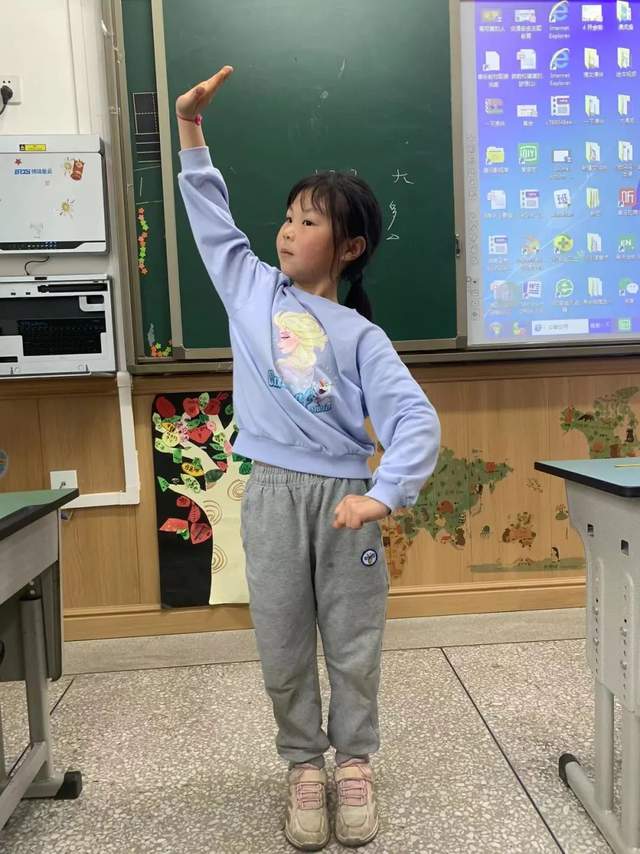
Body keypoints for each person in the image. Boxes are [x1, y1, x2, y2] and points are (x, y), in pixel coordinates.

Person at [176, 66, 441, 851]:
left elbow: (416, 422)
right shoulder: (251, 292)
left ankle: (353, 764)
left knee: (353, 646)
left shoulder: (362, 337)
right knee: (284, 644)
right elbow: (212, 223)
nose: (288, 231)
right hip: (270, 497)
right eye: (287, 217)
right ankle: (303, 766)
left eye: (309, 221)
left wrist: (382, 495)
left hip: (345, 504)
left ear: (349, 246)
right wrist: (190, 129)